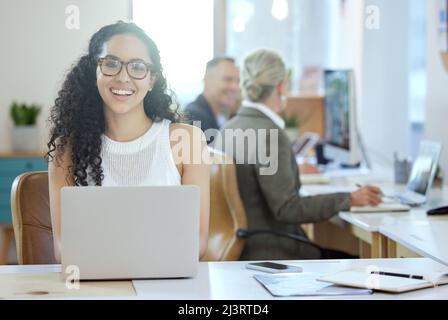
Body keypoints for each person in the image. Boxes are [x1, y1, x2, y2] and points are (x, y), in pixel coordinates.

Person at [46, 22, 210, 263]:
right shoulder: (66, 150)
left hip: (165, 284)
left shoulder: (188, 141)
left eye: (138, 67)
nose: (123, 77)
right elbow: (63, 248)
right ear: (94, 72)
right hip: (98, 286)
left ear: (152, 79)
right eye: (111, 64)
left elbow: (197, 242)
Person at [219, 48, 382, 260]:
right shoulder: (269, 134)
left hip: (243, 246)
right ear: (280, 86)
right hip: (272, 252)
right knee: (367, 265)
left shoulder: (229, 128)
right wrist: (349, 198)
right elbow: (288, 209)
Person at [185, 57, 241, 137]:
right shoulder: (194, 117)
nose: (235, 87)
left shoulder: (220, 116)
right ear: (207, 79)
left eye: (238, 81)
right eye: (228, 79)